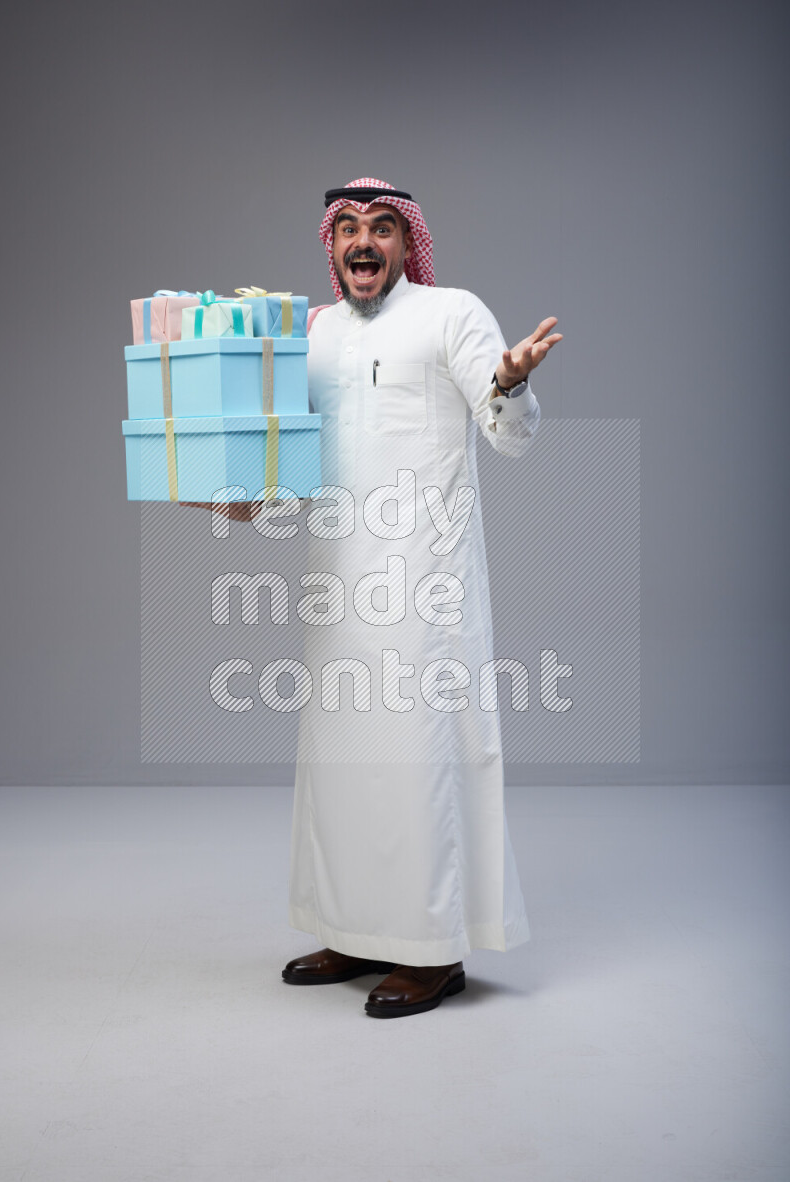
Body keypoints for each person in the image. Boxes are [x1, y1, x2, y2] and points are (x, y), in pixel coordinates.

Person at [281, 178, 562, 1019]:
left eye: (381, 229)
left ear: (407, 244)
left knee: (418, 761)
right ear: (331, 247)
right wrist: (235, 493)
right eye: (349, 231)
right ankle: (354, 930)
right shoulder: (314, 334)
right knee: (341, 763)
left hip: (422, 584)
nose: (363, 244)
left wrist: (509, 381)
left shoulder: (451, 313)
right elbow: (290, 460)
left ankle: (433, 953)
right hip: (336, 580)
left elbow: (508, 435)